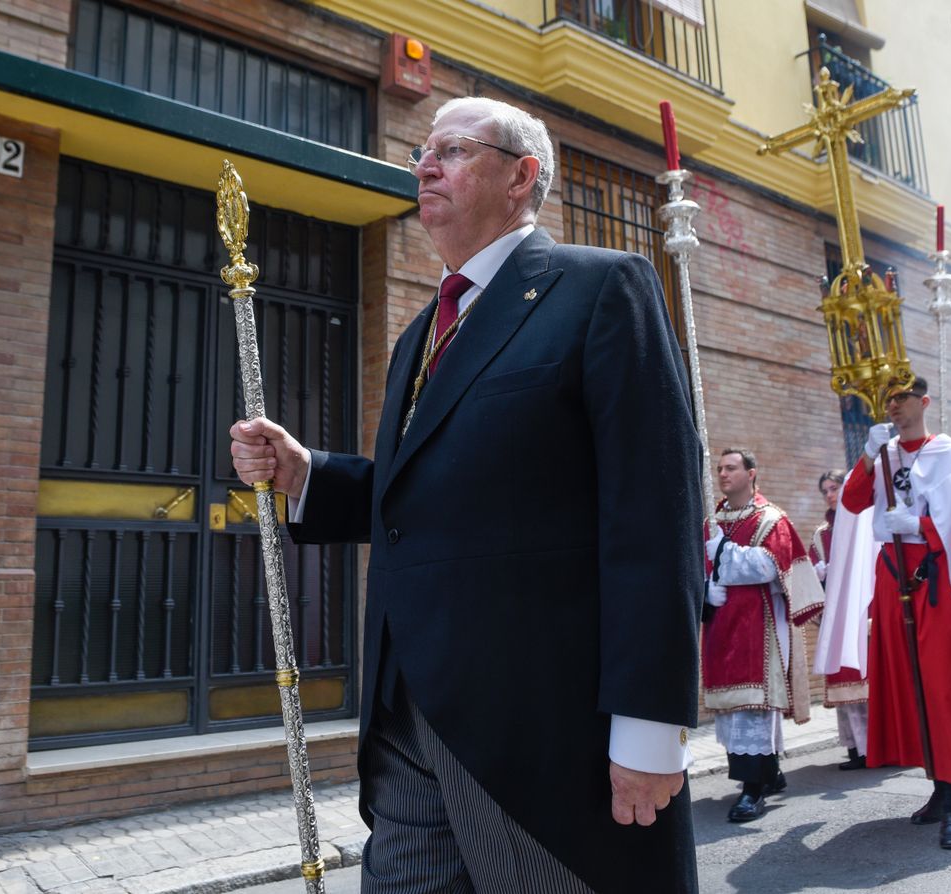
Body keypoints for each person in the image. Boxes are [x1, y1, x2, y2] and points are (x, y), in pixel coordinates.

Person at [228, 96, 703, 893]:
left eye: (452, 149)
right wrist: (307, 474)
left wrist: (651, 726)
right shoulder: (420, 333)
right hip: (406, 712)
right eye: (423, 150)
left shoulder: (600, 289)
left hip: (537, 725)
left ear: (522, 176)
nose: (424, 164)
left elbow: (655, 511)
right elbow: (431, 494)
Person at [817, 376, 951, 850]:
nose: (893, 406)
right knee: (912, 690)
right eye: (887, 398)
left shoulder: (949, 453)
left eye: (901, 397)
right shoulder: (885, 455)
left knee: (942, 688)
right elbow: (851, 503)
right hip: (894, 581)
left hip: (938, 582)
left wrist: (920, 524)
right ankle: (937, 787)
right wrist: (869, 456)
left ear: (924, 401)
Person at [703, 449, 824, 823]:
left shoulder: (771, 519)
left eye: (731, 468)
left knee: (754, 706)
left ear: (752, 473)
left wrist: (722, 551)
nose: (723, 474)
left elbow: (768, 566)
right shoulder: (711, 520)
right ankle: (768, 773)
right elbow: (694, 562)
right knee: (731, 710)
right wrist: (705, 588)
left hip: (760, 626)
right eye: (720, 468)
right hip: (722, 623)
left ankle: (752, 790)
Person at [813, 469, 873, 771]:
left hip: (864, 614)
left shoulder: (866, 523)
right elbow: (811, 573)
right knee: (844, 684)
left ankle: (875, 747)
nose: (829, 495)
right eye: (825, 490)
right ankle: (854, 747)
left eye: (834, 488)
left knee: (867, 684)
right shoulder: (821, 534)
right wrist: (819, 574)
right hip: (837, 617)